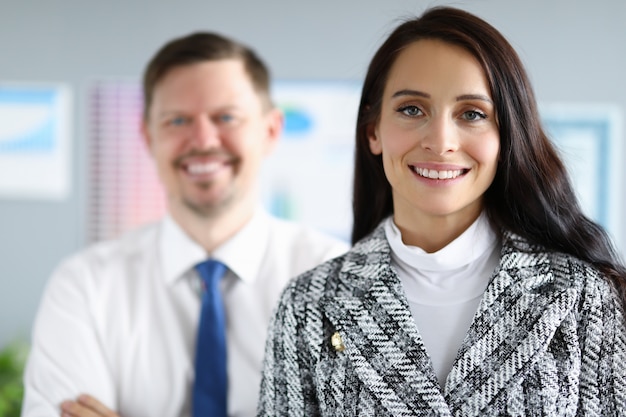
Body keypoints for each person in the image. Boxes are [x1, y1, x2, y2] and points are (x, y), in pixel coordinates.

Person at [257, 6, 626, 416]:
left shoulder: (579, 296)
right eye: (412, 109)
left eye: (472, 114)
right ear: (373, 130)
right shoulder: (308, 304)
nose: (441, 140)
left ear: (507, 135)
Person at [21, 32, 348, 417]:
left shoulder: (335, 279)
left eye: (226, 117)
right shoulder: (85, 286)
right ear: (148, 137)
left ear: (270, 131)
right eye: (177, 120)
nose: (203, 139)